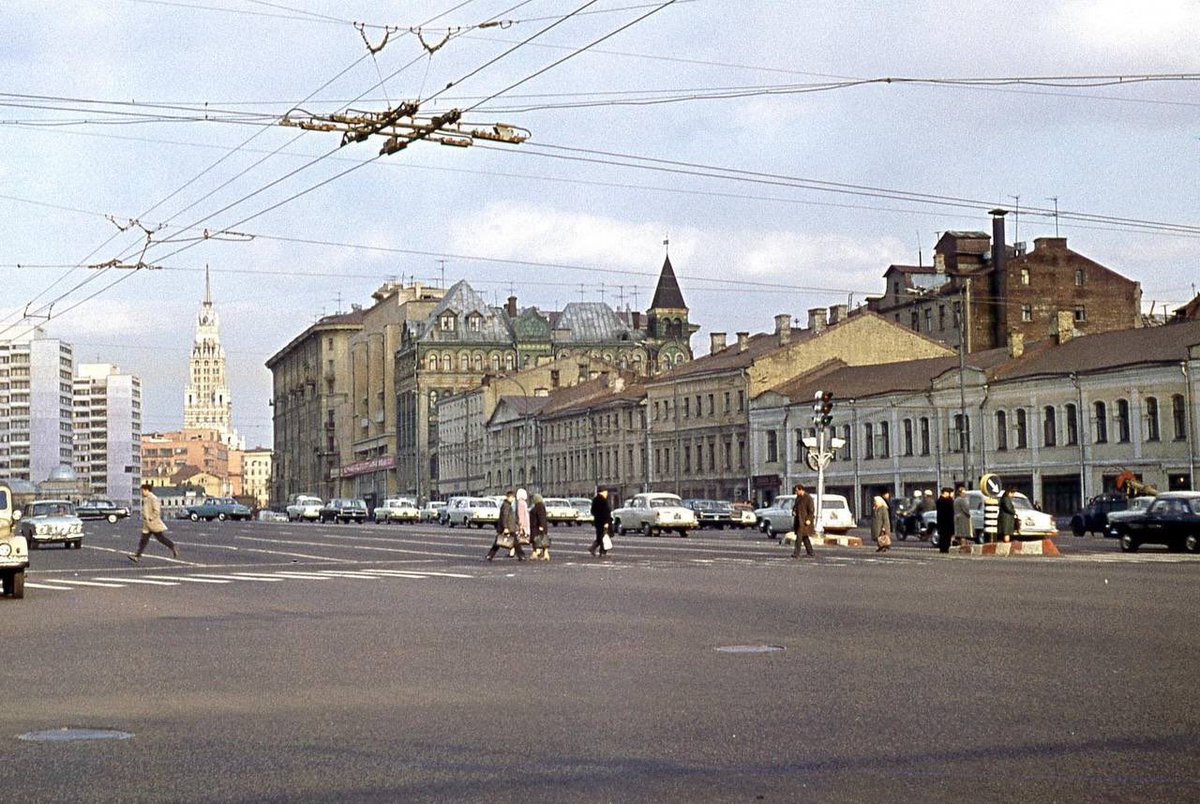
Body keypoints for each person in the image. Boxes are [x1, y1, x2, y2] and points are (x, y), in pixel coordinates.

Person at [129, 482, 178, 563]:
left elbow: (157, 510)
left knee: (160, 538)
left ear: (146, 490)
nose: (142, 493)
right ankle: (137, 556)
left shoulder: (153, 498)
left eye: (142, 491)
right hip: (147, 524)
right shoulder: (147, 498)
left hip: (153, 523)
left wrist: (151, 518)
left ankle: (172, 546)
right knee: (144, 540)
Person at [486, 490, 525, 561]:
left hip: (510, 527)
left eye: (513, 497)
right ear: (508, 497)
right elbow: (504, 517)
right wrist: (505, 527)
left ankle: (490, 555)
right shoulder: (506, 505)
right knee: (502, 542)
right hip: (508, 527)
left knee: (504, 542)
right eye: (511, 497)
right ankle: (521, 555)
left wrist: (517, 523)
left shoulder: (508, 505)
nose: (512, 499)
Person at [790, 483, 815, 558]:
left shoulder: (808, 498)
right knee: (805, 537)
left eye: (797, 490)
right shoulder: (798, 498)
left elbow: (811, 510)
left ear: (801, 490)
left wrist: (809, 519)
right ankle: (810, 552)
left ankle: (796, 553)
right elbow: (795, 507)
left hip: (804, 522)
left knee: (799, 538)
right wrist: (794, 511)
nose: (796, 492)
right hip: (798, 520)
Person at [589, 487, 612, 557]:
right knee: (604, 537)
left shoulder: (596, 499)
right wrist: (606, 522)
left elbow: (593, 511)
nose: (606, 493)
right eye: (605, 492)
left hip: (598, 521)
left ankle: (593, 548)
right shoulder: (602, 500)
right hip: (604, 521)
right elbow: (606, 512)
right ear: (602, 492)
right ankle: (602, 552)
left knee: (601, 537)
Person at [529, 492, 550, 561]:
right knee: (542, 540)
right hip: (538, 526)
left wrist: (541, 525)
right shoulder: (540, 506)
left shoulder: (539, 506)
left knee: (537, 540)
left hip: (537, 527)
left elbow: (541, 517)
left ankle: (536, 554)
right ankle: (544, 554)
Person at [935, 487, 955, 553]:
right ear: (945, 493)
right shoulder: (947, 501)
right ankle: (945, 548)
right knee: (946, 536)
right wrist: (950, 498)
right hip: (947, 521)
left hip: (941, 521)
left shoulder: (939, 500)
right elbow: (951, 510)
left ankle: (943, 548)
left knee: (943, 536)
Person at [515, 488, 531, 554]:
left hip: (523, 523)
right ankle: (517, 552)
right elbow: (521, 514)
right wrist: (521, 525)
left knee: (516, 538)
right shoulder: (522, 503)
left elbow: (520, 514)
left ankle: (514, 552)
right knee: (517, 538)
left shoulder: (520, 503)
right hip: (524, 523)